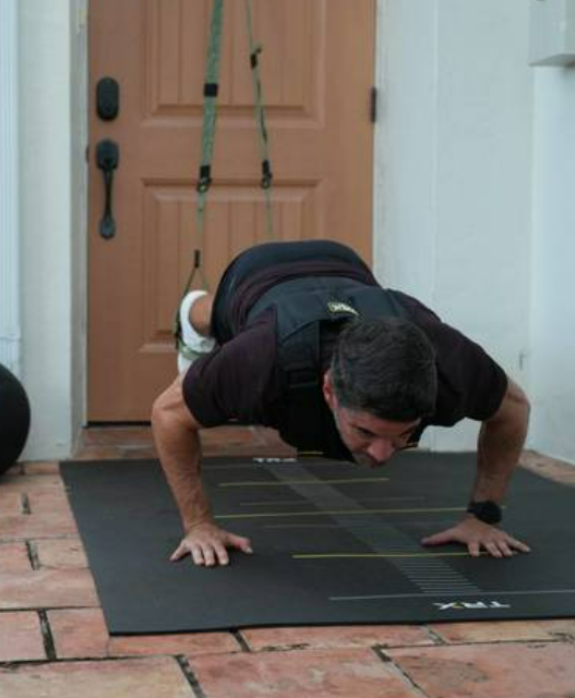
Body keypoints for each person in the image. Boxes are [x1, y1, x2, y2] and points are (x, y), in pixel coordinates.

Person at [151, 239, 532, 567]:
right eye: (365, 431)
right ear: (329, 390)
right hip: (256, 275)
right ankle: (192, 311)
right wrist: (198, 524)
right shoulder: (260, 360)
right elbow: (168, 415)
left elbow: (512, 409)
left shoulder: (449, 362)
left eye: (404, 434)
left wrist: (484, 516)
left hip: (346, 266)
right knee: (216, 318)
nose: (382, 455)